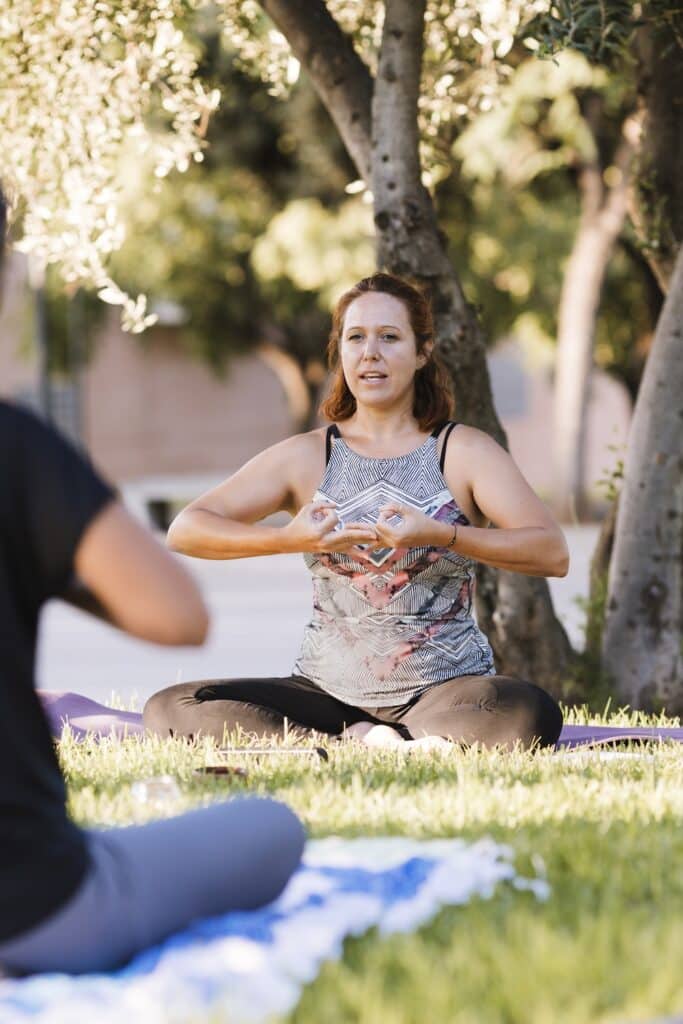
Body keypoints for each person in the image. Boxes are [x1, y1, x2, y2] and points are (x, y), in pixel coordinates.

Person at [0, 189, 304, 976]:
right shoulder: (18, 448)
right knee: (271, 827)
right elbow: (174, 615)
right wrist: (44, 560)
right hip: (31, 908)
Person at [144, 272, 568, 752]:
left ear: (422, 351)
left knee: (528, 713)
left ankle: (366, 742)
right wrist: (291, 539)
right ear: (340, 351)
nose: (371, 352)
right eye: (356, 338)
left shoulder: (463, 451)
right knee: (171, 707)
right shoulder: (307, 456)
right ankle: (365, 742)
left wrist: (441, 535)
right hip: (324, 692)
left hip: (444, 691)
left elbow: (551, 552)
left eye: (390, 337)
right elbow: (187, 530)